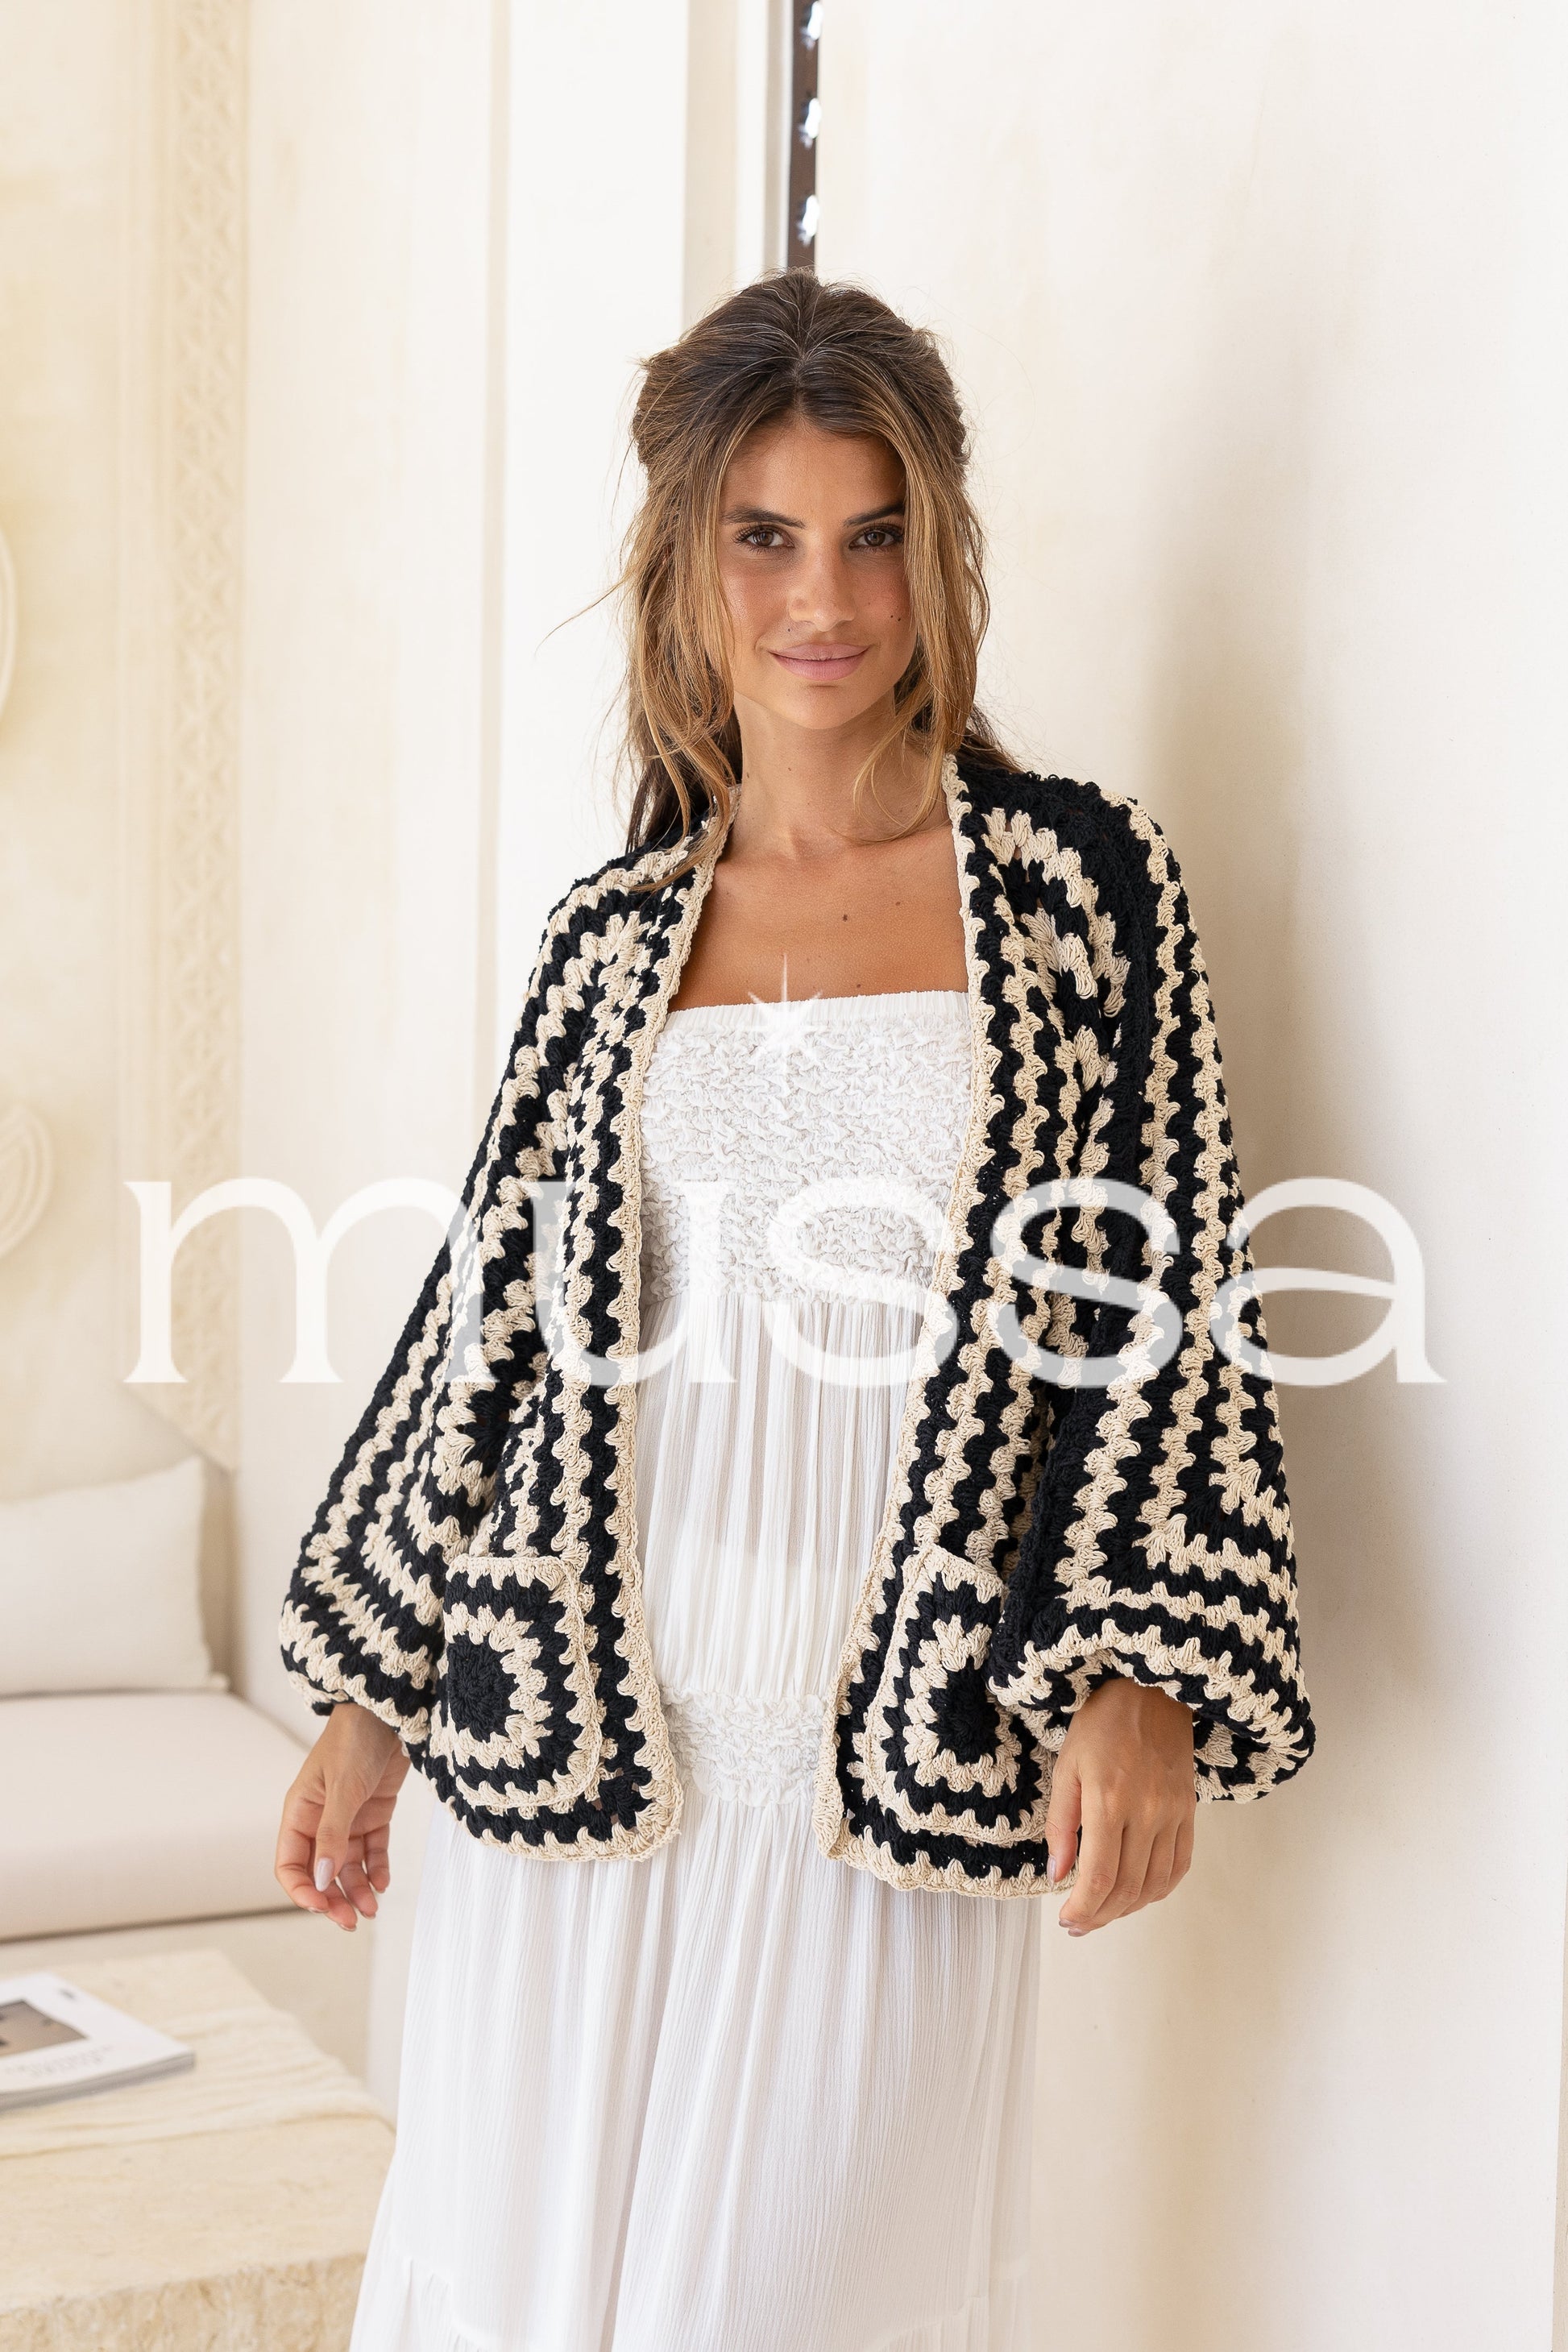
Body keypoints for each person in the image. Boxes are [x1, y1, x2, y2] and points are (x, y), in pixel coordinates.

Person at [275, 271, 1314, 2352]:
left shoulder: (1079, 893)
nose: (822, 598)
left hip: (889, 1770)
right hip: (577, 1762)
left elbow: (1165, 1296)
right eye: (764, 535)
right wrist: (372, 1696)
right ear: (686, 560)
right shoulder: (612, 937)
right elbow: (488, 1332)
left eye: (871, 535)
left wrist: (1142, 1671)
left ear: (940, 553)